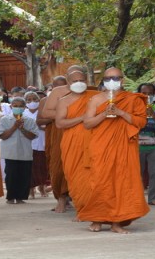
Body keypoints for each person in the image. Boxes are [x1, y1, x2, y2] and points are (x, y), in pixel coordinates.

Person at [81, 67, 149, 234]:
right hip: (101, 146)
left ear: (122, 80)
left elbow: (141, 122)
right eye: (108, 78)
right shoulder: (96, 99)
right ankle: (97, 219)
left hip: (124, 147)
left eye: (116, 78)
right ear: (103, 80)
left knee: (122, 182)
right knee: (99, 182)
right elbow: (87, 123)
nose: (112, 81)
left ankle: (116, 222)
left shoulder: (132, 99)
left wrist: (120, 112)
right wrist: (104, 114)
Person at [55, 68, 98, 213]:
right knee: (75, 176)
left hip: (93, 141)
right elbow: (60, 123)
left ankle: (95, 210)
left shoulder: (95, 96)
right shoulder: (63, 101)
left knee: (94, 176)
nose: (79, 83)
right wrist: (82, 117)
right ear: (68, 83)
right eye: (75, 81)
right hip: (72, 143)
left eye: (82, 80)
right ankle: (81, 209)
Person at [41, 70, 78, 213]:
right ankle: (61, 200)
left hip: (77, 137)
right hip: (57, 137)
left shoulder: (84, 96)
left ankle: (78, 200)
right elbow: (41, 118)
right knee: (58, 168)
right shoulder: (48, 100)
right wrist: (62, 115)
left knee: (77, 169)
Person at [0, 97, 38, 204]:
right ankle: (10, 197)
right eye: (15, 106)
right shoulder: (4, 120)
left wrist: (22, 129)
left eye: (20, 106)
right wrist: (14, 127)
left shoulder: (30, 120)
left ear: (24, 108)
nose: (18, 108)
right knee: (11, 175)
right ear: (11, 107)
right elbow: (2, 136)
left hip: (25, 152)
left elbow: (33, 136)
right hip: (10, 152)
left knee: (24, 175)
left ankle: (20, 197)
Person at [23, 91, 48, 198]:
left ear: (39, 101)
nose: (32, 102)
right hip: (28, 144)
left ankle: (42, 187)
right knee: (29, 167)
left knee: (42, 166)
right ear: (25, 102)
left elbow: (49, 126)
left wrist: (40, 127)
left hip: (42, 143)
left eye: (35, 99)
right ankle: (30, 189)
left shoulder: (44, 112)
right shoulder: (23, 113)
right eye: (28, 100)